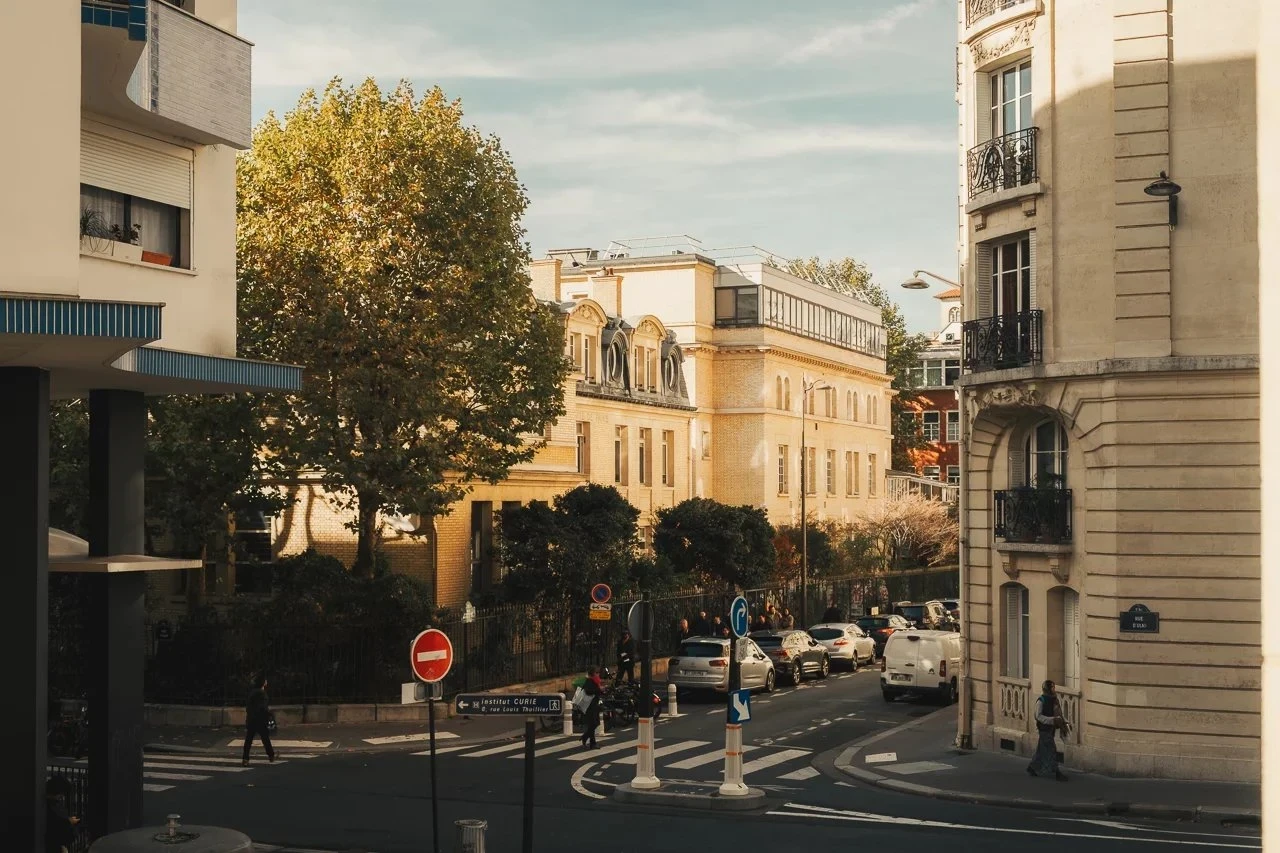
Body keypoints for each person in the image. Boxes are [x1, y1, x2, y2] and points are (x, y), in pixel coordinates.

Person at [1027, 680, 1069, 781]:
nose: (1054, 689)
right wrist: (1052, 720)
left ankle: (1032, 767)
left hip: (1051, 729)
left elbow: (1057, 713)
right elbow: (1038, 716)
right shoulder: (1041, 701)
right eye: (1052, 687)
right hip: (1044, 729)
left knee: (1041, 751)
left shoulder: (1053, 699)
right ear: (1048, 689)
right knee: (1052, 750)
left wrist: (1062, 722)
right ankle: (1057, 772)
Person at [242, 675, 276, 766]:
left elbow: (248, 706)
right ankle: (271, 755)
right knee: (265, 739)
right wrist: (268, 715)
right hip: (260, 719)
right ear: (263, 683)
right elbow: (263, 707)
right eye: (265, 680)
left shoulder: (252, 692)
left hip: (251, 719)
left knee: (248, 739)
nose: (266, 682)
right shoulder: (262, 693)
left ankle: (245, 758)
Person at [45, 775, 78, 853]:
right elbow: (53, 825)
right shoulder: (49, 805)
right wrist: (68, 822)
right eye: (62, 793)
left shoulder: (55, 804)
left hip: (59, 845)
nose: (62, 796)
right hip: (54, 845)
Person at [580, 666, 604, 749]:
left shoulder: (595, 681)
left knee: (594, 723)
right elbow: (588, 691)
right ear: (592, 674)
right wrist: (599, 690)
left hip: (594, 705)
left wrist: (601, 690)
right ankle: (590, 741)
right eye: (596, 673)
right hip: (590, 706)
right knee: (593, 723)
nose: (598, 674)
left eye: (598, 673)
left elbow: (597, 692)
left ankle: (587, 739)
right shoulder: (589, 681)